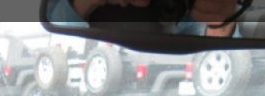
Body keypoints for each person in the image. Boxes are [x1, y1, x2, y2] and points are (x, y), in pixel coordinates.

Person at [49, 0, 242, 38]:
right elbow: (52, 33)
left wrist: (221, 22)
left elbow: (210, 52)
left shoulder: (182, 9)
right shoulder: (57, 8)